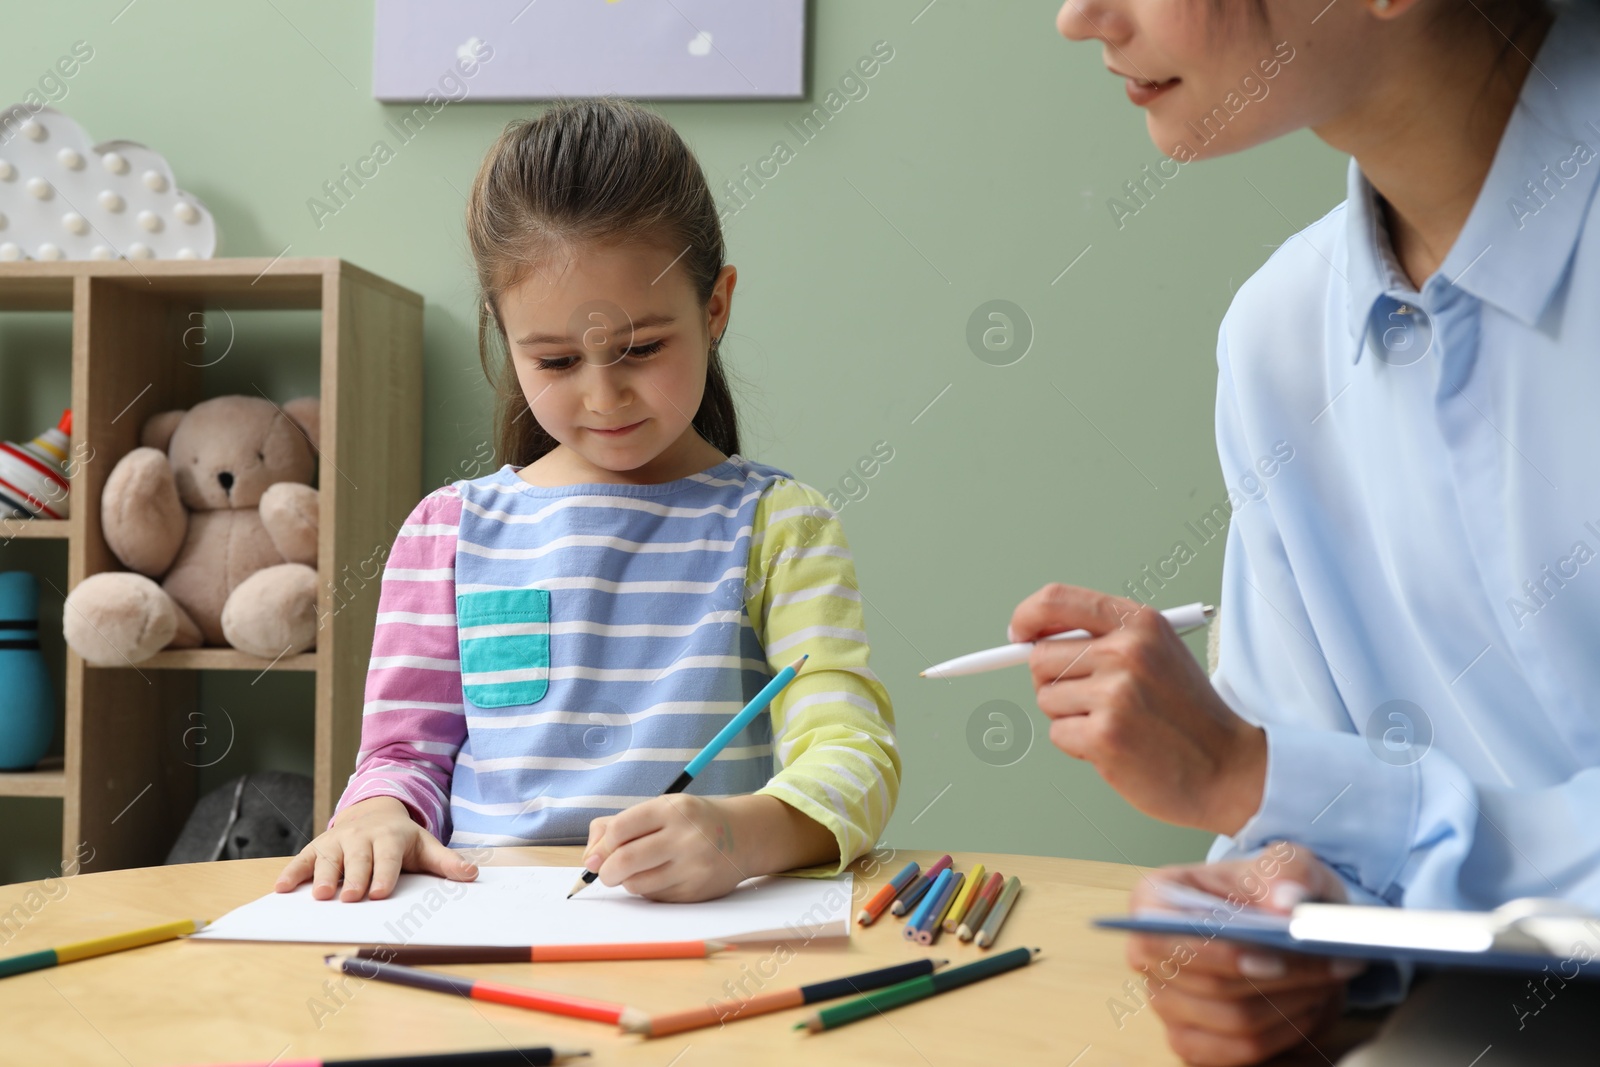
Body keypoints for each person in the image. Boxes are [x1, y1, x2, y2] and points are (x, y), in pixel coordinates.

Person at [1013, 0, 1600, 1062]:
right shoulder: (1279, 339)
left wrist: (1251, 770)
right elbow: (1320, 808)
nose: (1077, 17)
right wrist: (1278, 912)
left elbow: (1291, 770)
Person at [275, 99, 900, 905]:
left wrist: (739, 835)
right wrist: (377, 814)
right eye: (557, 359)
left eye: (642, 348)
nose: (604, 395)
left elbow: (852, 750)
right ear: (504, 333)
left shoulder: (781, 526)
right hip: (483, 934)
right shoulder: (449, 531)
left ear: (715, 308)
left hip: (701, 937)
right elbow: (403, 755)